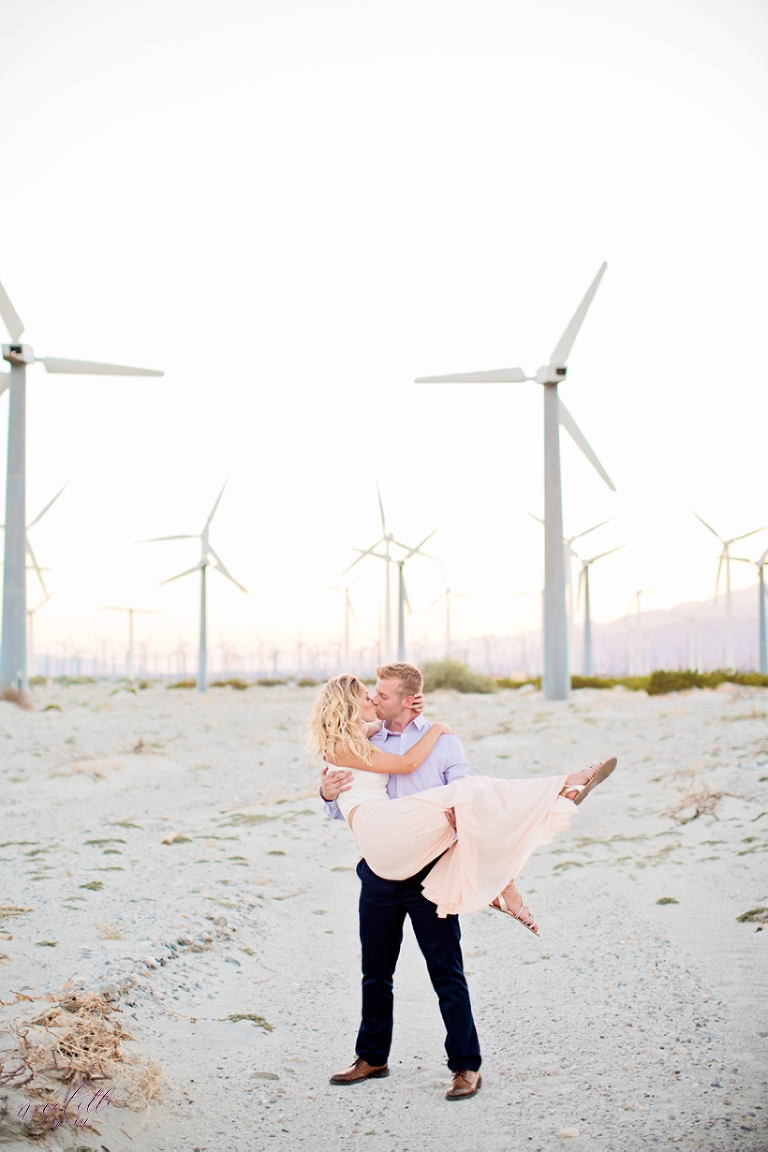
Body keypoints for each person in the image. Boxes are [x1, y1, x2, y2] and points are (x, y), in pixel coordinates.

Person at [315, 663, 616, 1101]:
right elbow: (337, 801)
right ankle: (371, 1056)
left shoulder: (441, 741)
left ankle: (465, 1066)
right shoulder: (367, 738)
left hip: (432, 864)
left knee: (446, 972)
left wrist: (438, 733)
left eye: (382, 695)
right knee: (375, 971)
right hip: (380, 867)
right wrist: (324, 792)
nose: (375, 700)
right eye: (370, 695)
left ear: (406, 699)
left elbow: (463, 791)